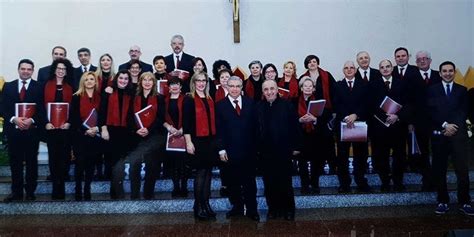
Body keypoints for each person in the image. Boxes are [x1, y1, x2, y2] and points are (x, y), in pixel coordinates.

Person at [428, 61, 473, 216]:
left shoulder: (462, 90)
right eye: (444, 71)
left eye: (450, 71)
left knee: (462, 171)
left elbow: (463, 111)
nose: (447, 73)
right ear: (439, 73)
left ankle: (465, 202)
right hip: (440, 136)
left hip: (458, 136)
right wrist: (445, 125)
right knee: (439, 170)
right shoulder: (432, 90)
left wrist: (453, 126)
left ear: (454, 72)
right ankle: (442, 201)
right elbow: (431, 112)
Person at [216, 76, 259, 221]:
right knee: (232, 182)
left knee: (249, 182)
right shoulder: (220, 105)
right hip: (229, 152)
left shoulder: (251, 103)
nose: (234, 89)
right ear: (227, 87)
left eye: (238, 86)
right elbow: (219, 129)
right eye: (232, 86)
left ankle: (252, 209)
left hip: (249, 151)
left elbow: (256, 128)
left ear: (242, 88)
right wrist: (221, 149)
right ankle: (237, 207)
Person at [257, 79, 301, 221]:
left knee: (285, 182)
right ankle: (273, 209)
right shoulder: (259, 107)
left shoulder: (287, 105)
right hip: (265, 152)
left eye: (272, 89)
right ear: (263, 92)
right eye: (266, 89)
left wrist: (295, 146)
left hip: (284, 150)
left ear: (277, 90)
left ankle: (288, 209)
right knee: (269, 182)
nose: (269, 92)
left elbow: (295, 126)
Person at [2, 59, 45, 202]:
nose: (25, 71)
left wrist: (31, 120)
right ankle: (16, 192)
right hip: (13, 132)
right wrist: (14, 119)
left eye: (29, 69)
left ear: (32, 71)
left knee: (32, 162)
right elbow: (2, 108)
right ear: (18, 69)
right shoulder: (8, 86)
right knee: (15, 163)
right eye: (23, 68)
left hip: (32, 132)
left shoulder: (39, 87)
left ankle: (31, 191)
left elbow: (42, 110)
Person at [370, 60, 409, 192]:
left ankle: (398, 181)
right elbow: (370, 105)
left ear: (392, 68)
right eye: (382, 67)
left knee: (399, 155)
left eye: (388, 66)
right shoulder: (373, 84)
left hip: (398, 126)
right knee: (381, 155)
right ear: (379, 69)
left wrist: (397, 116)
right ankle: (385, 182)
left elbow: (408, 104)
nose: (385, 69)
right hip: (380, 127)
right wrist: (384, 118)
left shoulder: (402, 83)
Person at [183, 71, 217, 220]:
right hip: (197, 141)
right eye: (198, 80)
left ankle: (206, 204)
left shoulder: (210, 98)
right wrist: (188, 142)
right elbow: (186, 124)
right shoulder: (189, 99)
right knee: (201, 173)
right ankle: (198, 206)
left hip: (210, 140)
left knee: (208, 173)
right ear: (194, 82)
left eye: (204, 80)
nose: (201, 83)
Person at [126, 72, 166, 200]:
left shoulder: (159, 98)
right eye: (144, 80)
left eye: (150, 80)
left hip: (153, 136)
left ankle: (149, 193)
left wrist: (148, 129)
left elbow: (160, 118)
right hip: (136, 135)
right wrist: (137, 129)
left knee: (152, 165)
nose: (147, 82)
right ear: (140, 82)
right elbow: (129, 116)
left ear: (154, 83)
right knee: (134, 165)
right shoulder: (134, 97)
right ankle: (135, 193)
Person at [333, 61, 371, 193]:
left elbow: (367, 103)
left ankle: (361, 181)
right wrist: (346, 116)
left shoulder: (364, 85)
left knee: (360, 155)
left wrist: (356, 115)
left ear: (355, 70)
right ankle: (344, 183)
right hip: (343, 125)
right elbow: (335, 103)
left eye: (351, 68)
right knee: (342, 157)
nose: (349, 70)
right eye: (346, 68)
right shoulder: (337, 85)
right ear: (343, 71)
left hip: (359, 124)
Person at [99, 70, 135, 199]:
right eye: (121, 78)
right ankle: (114, 189)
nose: (123, 81)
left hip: (125, 132)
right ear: (116, 79)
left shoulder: (131, 94)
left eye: (126, 78)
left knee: (121, 161)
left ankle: (118, 186)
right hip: (110, 131)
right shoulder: (108, 92)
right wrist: (103, 129)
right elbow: (102, 112)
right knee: (112, 161)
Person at [296, 77, 335, 194]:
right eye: (305, 86)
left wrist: (315, 119)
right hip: (301, 135)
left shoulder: (320, 101)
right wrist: (299, 120)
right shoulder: (294, 101)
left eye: (310, 86)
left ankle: (315, 184)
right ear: (301, 88)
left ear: (313, 89)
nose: (308, 88)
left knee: (316, 161)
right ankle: (304, 185)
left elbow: (326, 117)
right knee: (302, 162)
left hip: (316, 136)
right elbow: (289, 119)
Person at [299, 54, 337, 173]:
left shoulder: (326, 75)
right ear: (306, 64)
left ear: (318, 63)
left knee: (327, 140)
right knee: (314, 142)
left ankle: (332, 166)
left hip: (325, 111)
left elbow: (334, 92)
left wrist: (334, 111)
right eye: (309, 62)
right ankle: (317, 168)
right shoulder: (303, 77)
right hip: (308, 110)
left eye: (314, 61)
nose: (312, 63)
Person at [43, 58, 75, 200]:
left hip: (65, 129)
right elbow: (40, 106)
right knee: (53, 157)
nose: (61, 71)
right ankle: (55, 186)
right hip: (51, 129)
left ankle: (61, 185)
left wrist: (69, 123)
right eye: (59, 68)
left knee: (64, 157)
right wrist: (45, 122)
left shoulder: (71, 87)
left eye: (64, 69)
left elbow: (74, 109)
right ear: (54, 69)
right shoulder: (46, 85)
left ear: (67, 71)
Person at [411, 50, 442, 191]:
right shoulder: (411, 77)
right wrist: (410, 122)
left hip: (438, 121)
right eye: (419, 59)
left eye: (425, 58)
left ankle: (438, 179)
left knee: (437, 151)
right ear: (416, 62)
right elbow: (408, 101)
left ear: (430, 60)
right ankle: (427, 179)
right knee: (423, 152)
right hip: (420, 122)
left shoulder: (439, 75)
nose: (422, 61)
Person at [69, 71, 102, 201]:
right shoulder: (76, 97)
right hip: (80, 136)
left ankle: (87, 188)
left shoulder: (100, 97)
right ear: (83, 82)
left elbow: (103, 115)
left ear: (95, 82)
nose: (89, 81)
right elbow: (73, 118)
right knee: (79, 164)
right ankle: (78, 189)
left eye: (91, 79)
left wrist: (96, 128)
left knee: (90, 164)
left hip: (95, 136)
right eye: (86, 79)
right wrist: (86, 130)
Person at [163, 77, 189, 198]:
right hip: (170, 135)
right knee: (173, 164)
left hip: (185, 133)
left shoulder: (187, 99)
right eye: (172, 84)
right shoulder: (164, 100)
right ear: (168, 87)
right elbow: (160, 117)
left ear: (181, 86)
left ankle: (184, 187)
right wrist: (169, 127)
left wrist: (182, 129)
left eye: (177, 84)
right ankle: (176, 187)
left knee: (183, 164)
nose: (174, 86)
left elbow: (190, 115)